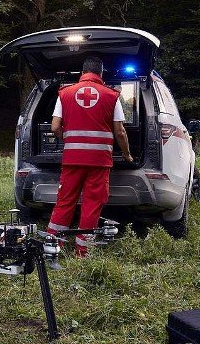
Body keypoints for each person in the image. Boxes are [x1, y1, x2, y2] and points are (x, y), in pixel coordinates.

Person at [46, 56, 134, 257]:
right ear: (101, 73)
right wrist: (127, 155)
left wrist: (68, 139)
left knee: (65, 201)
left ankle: (52, 245)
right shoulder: (111, 96)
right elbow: (120, 132)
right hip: (99, 161)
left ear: (82, 72)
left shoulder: (65, 93)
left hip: (72, 159)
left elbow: (55, 127)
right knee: (92, 203)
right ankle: (83, 250)